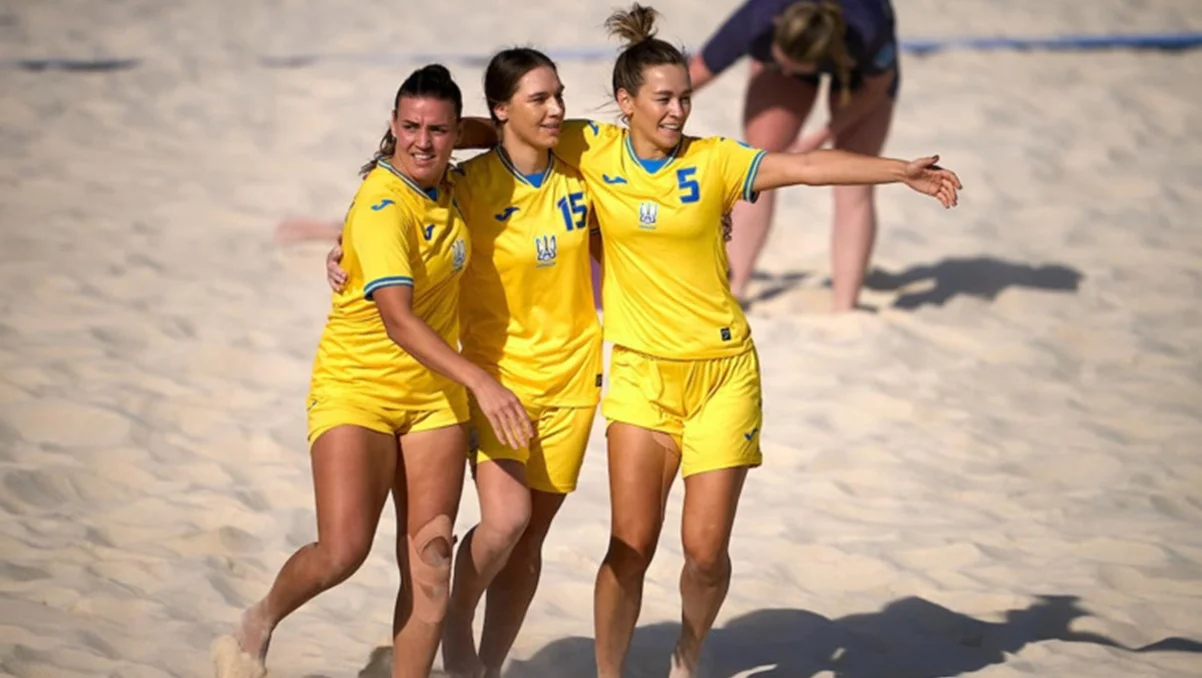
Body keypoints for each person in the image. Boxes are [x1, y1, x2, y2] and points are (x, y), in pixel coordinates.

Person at [550, 5, 959, 677]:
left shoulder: (714, 161)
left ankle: (687, 655)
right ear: (626, 103)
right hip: (642, 377)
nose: (680, 109)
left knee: (705, 553)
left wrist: (897, 171)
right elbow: (509, 127)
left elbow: (805, 166)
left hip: (722, 376)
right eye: (664, 98)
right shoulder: (589, 145)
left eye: (685, 95)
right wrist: (429, 142)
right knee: (630, 545)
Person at [211, 64, 532, 678]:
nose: (423, 141)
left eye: (438, 129)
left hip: (432, 397)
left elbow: (495, 131)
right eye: (409, 126)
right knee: (342, 551)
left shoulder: (452, 182)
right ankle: (260, 619)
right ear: (390, 126)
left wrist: (473, 129)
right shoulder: (385, 204)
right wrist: (483, 382)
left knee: (431, 562)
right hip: (357, 389)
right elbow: (398, 321)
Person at [325, 49, 606, 678]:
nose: (557, 109)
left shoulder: (581, 165)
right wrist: (347, 240)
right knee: (504, 523)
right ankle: (455, 621)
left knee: (528, 541)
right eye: (540, 99)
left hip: (573, 378)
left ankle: (483, 667)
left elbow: (650, 181)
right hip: (494, 374)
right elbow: (403, 193)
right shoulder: (467, 184)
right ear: (504, 109)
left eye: (558, 95)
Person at [688, 0, 902, 311]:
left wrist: (824, 133)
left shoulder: (867, 32)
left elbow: (877, 85)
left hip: (858, 67)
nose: (785, 71)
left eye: (792, 68)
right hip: (804, 39)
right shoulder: (758, 19)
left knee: (855, 179)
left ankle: (845, 308)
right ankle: (734, 288)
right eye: (780, 62)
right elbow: (693, 75)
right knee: (757, 165)